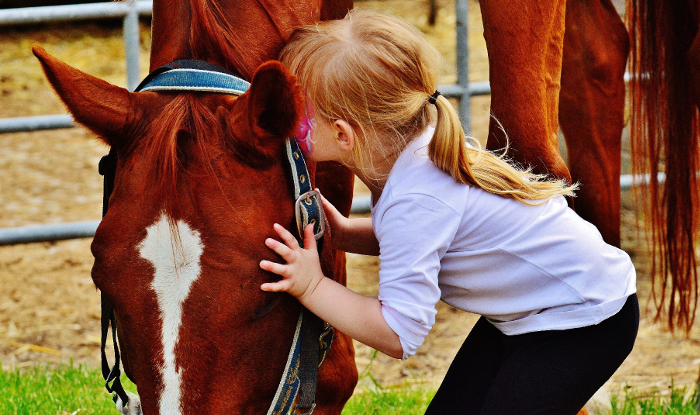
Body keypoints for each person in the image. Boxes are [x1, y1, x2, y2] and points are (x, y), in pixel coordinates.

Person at [259, 9, 638, 415]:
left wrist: (312, 286)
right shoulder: (417, 150)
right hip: (536, 312)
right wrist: (347, 233)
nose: (287, 123)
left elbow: (399, 332)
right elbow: (431, 239)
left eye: (296, 115)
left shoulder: (417, 197)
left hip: (584, 320)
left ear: (342, 134)